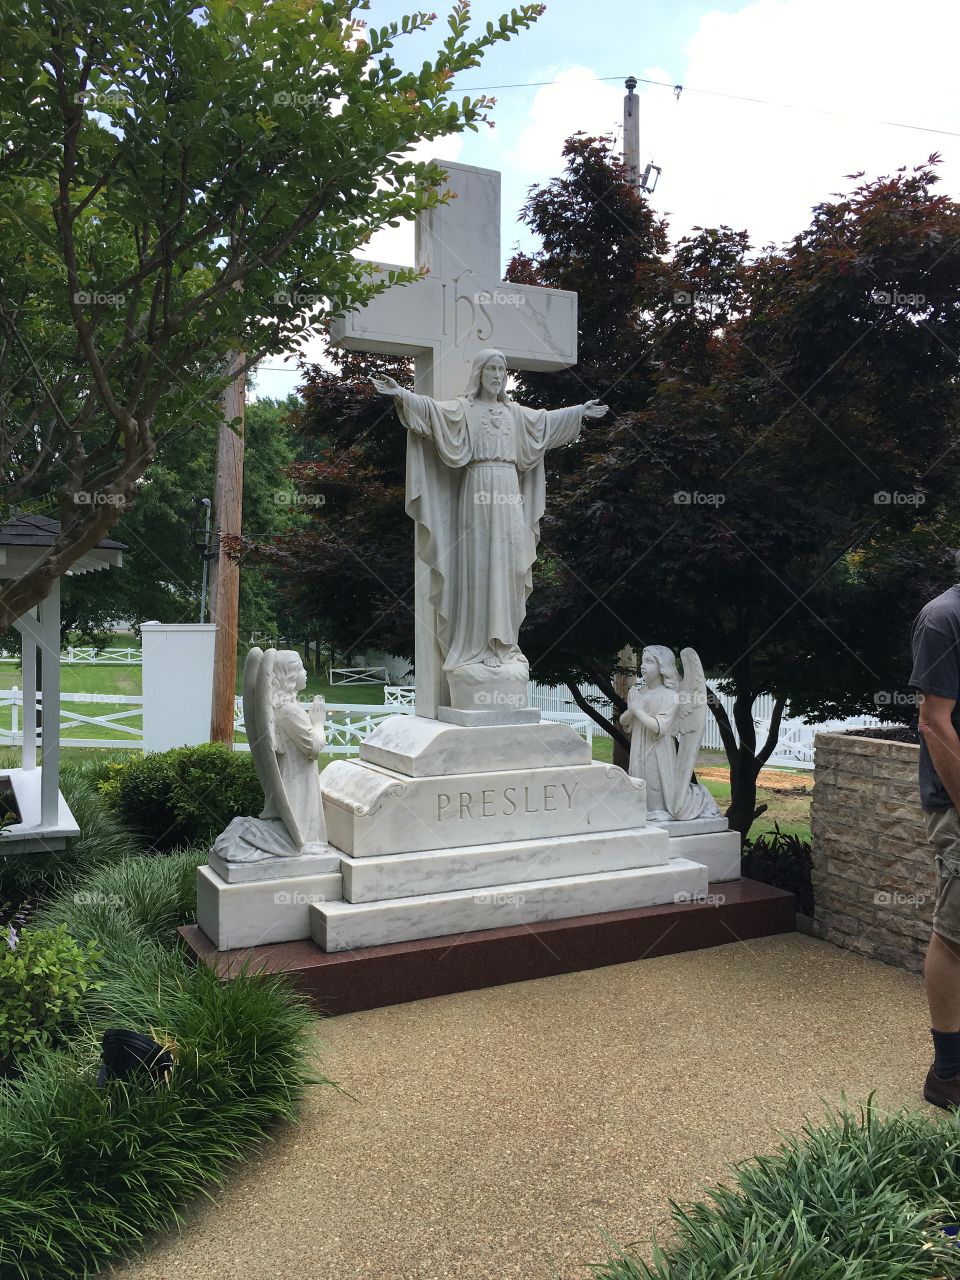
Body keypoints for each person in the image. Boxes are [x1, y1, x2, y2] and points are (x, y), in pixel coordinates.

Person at [910, 581, 960, 1107]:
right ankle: (948, 1073)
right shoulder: (945, 617)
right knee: (955, 936)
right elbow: (934, 720)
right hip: (956, 806)